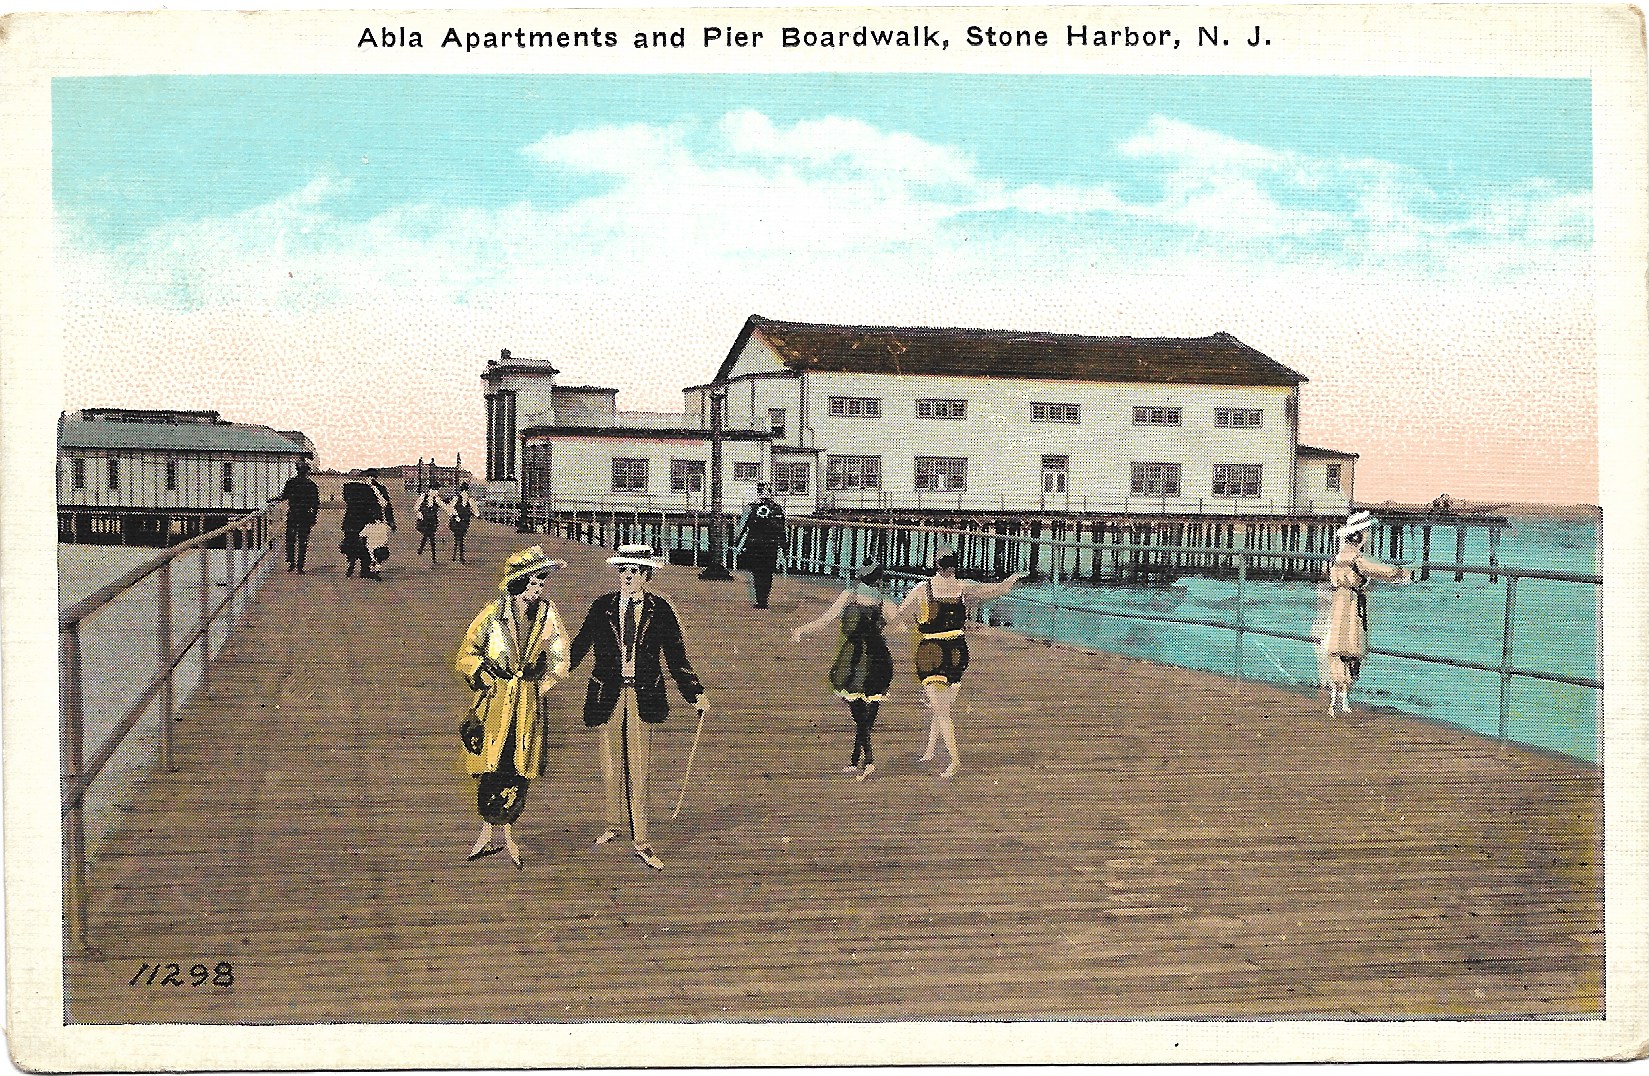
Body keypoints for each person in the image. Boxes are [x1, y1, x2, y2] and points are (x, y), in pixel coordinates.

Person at [569, 544, 708, 871]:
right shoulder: (602, 606)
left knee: (639, 768)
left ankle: (642, 841)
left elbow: (676, 655)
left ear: (646, 575)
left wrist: (695, 693)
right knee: (609, 765)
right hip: (608, 692)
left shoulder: (661, 610)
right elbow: (579, 645)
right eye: (623, 571)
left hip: (643, 693)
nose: (627, 576)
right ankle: (612, 824)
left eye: (634, 571)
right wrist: (550, 674)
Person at [454, 547, 571, 869]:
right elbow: (467, 652)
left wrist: (541, 685)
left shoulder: (547, 613)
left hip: (528, 701)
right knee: (490, 763)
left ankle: (507, 832)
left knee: (519, 765)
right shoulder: (493, 613)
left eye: (542, 583)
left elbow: (561, 654)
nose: (539, 589)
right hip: (494, 699)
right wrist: (483, 675)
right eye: (534, 583)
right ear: (518, 583)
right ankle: (485, 831)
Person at [890, 549, 1028, 778]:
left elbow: (898, 618)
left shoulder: (922, 589)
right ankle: (930, 751)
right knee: (941, 706)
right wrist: (1013, 578)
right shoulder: (964, 587)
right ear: (955, 566)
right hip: (957, 651)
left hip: (932, 652)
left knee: (941, 709)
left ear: (936, 565)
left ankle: (954, 760)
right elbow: (999, 590)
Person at [792, 562, 896, 780]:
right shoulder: (884, 601)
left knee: (858, 711)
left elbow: (826, 619)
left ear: (860, 577)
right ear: (878, 579)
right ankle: (857, 760)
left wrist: (802, 629)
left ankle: (866, 760)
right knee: (868, 711)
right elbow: (900, 627)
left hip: (853, 657)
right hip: (878, 656)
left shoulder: (850, 595)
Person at [1320, 510, 1413, 714]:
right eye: (1367, 533)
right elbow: (1383, 571)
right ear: (1360, 536)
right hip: (1352, 605)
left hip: (1338, 603)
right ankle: (1344, 698)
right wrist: (1402, 572)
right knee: (1352, 649)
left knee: (1337, 650)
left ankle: (1335, 699)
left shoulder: (1338, 557)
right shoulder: (1357, 558)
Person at [734, 483, 787, 608]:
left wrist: (736, 542)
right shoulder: (777, 509)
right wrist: (784, 546)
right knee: (767, 573)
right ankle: (763, 600)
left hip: (755, 545)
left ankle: (760, 600)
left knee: (757, 573)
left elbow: (742, 527)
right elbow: (781, 529)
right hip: (770, 546)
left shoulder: (751, 507)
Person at [269, 459, 319, 573]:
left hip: (293, 514)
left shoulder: (291, 482)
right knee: (303, 541)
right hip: (305, 515)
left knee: (290, 539)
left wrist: (272, 500)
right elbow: (316, 504)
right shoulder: (311, 485)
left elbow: (283, 496)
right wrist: (313, 517)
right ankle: (300, 566)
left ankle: (291, 563)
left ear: (297, 470)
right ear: (307, 471)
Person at [339, 480, 380, 579]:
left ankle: (351, 561)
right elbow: (375, 507)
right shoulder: (368, 495)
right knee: (365, 546)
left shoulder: (351, 500)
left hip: (350, 523)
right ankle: (364, 569)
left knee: (351, 543)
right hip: (363, 523)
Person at [413, 487, 453, 566]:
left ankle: (427, 553)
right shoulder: (423, 497)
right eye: (435, 490)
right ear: (431, 490)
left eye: (437, 491)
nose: (437, 492)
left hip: (432, 522)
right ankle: (431, 555)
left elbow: (445, 507)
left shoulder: (437, 499)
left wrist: (452, 514)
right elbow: (416, 507)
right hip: (423, 521)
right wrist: (419, 513)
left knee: (430, 536)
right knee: (429, 536)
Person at [448, 481, 477, 564]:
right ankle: (460, 557)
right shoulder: (457, 499)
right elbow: (450, 509)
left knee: (459, 538)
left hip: (464, 522)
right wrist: (456, 516)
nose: (464, 494)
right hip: (456, 522)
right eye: (463, 492)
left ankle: (455, 555)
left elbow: (476, 512)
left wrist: (473, 513)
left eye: (465, 492)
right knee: (460, 538)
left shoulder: (469, 500)